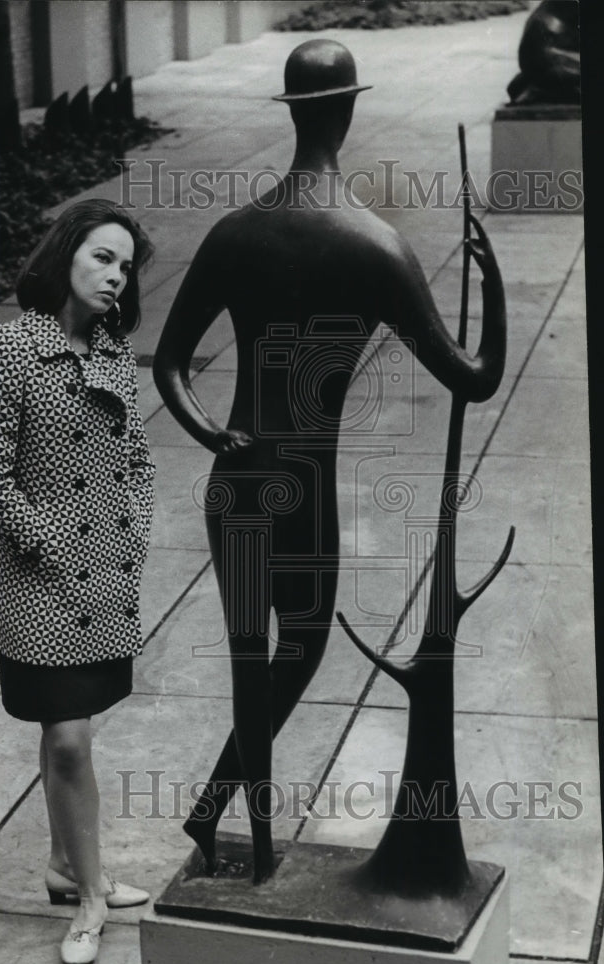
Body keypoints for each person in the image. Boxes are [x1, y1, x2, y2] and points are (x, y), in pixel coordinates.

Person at [152, 40, 505, 885]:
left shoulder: (237, 232)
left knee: (250, 652)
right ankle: (234, 825)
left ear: (294, 111)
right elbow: (475, 379)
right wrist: (488, 286)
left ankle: (230, 824)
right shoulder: (374, 246)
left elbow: (167, 362)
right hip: (302, 482)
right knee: (297, 652)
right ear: (346, 111)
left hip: (236, 478)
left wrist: (209, 432)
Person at [0, 199, 156, 964]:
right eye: (102, 257)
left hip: (105, 577)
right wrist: (49, 542)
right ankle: (87, 896)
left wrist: (134, 527)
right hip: (39, 580)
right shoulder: (11, 347)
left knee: (70, 736)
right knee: (70, 739)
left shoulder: (115, 354)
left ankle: (62, 864)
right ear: (65, 256)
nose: (115, 275)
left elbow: (138, 459)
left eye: (125, 265)